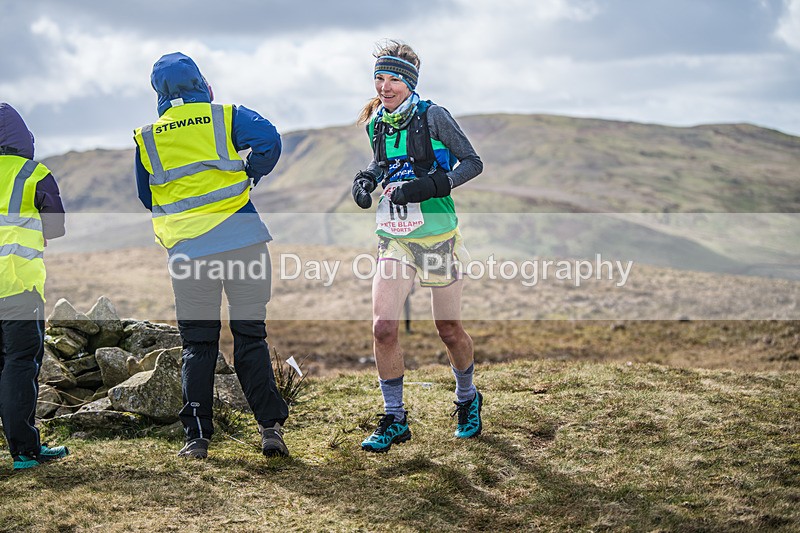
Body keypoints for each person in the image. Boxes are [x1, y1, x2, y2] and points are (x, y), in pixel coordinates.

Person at [133, 53, 289, 459]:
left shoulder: (148, 138)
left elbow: (146, 195)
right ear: (200, 81)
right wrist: (251, 172)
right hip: (244, 242)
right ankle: (269, 429)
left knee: (198, 345)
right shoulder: (224, 116)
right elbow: (269, 139)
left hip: (189, 254)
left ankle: (197, 438)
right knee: (250, 337)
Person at [352, 41, 484, 452]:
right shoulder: (378, 121)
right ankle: (394, 418)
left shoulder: (434, 116)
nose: (385, 86)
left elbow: (472, 163)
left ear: (409, 82)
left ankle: (467, 398)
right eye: (379, 77)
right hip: (395, 239)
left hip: (439, 238)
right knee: (383, 327)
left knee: (448, 330)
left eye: (393, 79)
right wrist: (366, 180)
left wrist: (428, 186)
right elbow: (382, 163)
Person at [0, 102, 69, 470]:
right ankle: (24, 452)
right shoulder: (33, 173)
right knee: (20, 365)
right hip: (18, 287)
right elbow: (56, 226)